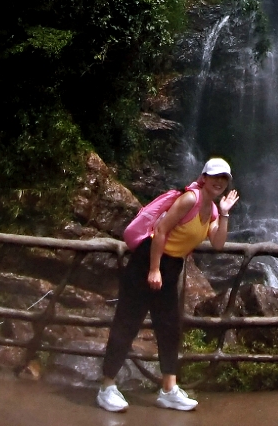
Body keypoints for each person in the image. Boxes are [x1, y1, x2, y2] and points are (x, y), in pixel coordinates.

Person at [97, 158, 239, 413]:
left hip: (172, 268)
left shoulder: (214, 210)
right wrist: (153, 269)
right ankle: (107, 386)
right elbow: (160, 231)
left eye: (224, 178)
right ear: (203, 177)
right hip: (147, 262)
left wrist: (226, 212)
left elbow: (218, 243)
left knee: (170, 328)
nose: (219, 181)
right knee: (127, 323)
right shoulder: (190, 199)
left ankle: (169, 390)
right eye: (214, 176)